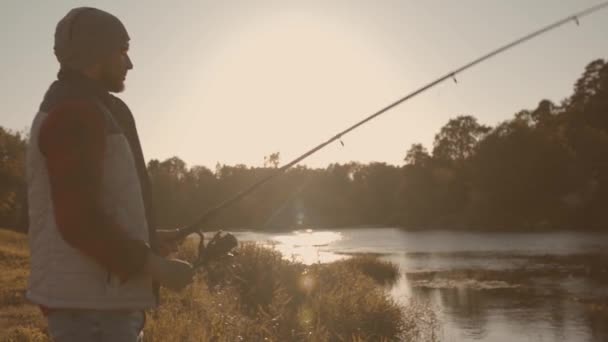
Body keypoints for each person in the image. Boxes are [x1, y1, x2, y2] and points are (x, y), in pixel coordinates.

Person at [26, 7, 194, 341]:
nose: (129, 63)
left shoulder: (83, 107)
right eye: (123, 51)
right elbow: (78, 220)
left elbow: (92, 203)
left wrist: (148, 234)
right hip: (92, 314)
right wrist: (153, 265)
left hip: (95, 304)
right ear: (97, 53)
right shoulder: (76, 113)